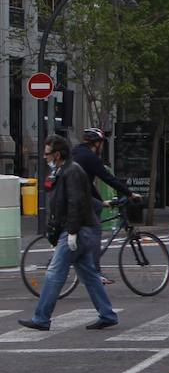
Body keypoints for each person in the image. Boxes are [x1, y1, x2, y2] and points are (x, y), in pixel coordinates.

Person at [18, 135, 118, 332]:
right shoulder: (65, 170)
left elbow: (75, 202)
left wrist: (71, 232)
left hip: (76, 230)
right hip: (78, 229)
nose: (45, 157)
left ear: (57, 154)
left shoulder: (71, 171)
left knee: (54, 273)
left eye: (47, 154)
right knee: (88, 273)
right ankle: (107, 314)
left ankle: (41, 318)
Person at [71, 127, 141, 284]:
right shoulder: (90, 157)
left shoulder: (76, 152)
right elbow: (108, 178)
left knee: (95, 210)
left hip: (72, 196)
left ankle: (84, 259)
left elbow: (87, 183)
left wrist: (101, 201)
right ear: (96, 144)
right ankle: (95, 272)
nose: (101, 148)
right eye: (101, 144)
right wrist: (130, 194)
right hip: (79, 198)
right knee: (96, 229)